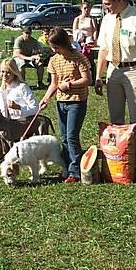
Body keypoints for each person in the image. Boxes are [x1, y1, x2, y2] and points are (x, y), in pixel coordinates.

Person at [95, 0, 136, 181]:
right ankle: (118, 162)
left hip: (134, 70)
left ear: (119, 0)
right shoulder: (106, 19)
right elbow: (103, 49)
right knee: (115, 121)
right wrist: (99, 75)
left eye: (107, 4)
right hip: (114, 70)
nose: (105, 7)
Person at [40, 27, 91, 183]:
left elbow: (87, 80)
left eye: (56, 47)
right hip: (61, 102)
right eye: (52, 47)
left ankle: (75, 172)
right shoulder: (54, 60)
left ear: (64, 43)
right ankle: (67, 167)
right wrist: (46, 98)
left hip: (77, 101)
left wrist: (69, 85)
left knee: (71, 136)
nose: (54, 50)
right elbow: (54, 83)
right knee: (63, 137)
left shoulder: (79, 58)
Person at [0, 58, 39, 160]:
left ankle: (18, 149)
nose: (5, 75)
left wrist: (19, 108)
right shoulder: (0, 90)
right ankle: (14, 150)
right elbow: (1, 112)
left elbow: (35, 108)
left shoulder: (22, 87)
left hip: (20, 126)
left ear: (14, 72)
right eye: (2, 72)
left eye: (8, 72)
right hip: (6, 127)